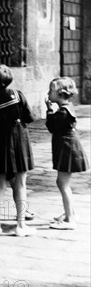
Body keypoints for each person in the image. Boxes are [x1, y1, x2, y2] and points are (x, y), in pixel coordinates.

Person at [0, 64, 35, 236]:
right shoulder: (18, 95)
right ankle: (20, 226)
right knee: (21, 185)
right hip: (19, 141)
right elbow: (29, 118)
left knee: (0, 185)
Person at [45, 77, 89, 230]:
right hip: (66, 147)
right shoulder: (67, 108)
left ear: (59, 94)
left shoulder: (62, 112)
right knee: (64, 183)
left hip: (67, 149)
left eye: (50, 90)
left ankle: (70, 220)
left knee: (62, 183)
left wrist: (49, 109)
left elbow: (51, 126)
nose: (48, 93)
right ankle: (71, 212)